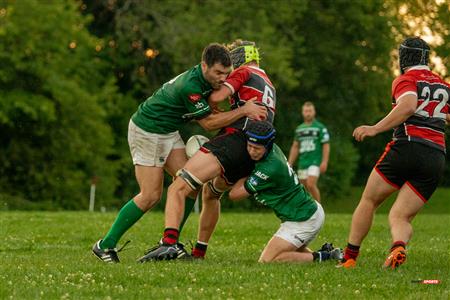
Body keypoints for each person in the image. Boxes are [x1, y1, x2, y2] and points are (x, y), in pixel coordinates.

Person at [92, 43, 267, 263]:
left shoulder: (211, 80)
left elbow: (213, 109)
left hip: (167, 131)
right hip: (148, 130)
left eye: (227, 72)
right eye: (218, 72)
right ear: (204, 65)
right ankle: (105, 245)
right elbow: (209, 124)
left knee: (189, 184)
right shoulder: (190, 86)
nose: (223, 78)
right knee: (150, 196)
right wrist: (243, 110)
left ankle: (171, 244)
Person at [138, 40, 276, 262]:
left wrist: (219, 106)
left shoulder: (244, 72)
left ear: (238, 60)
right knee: (211, 193)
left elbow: (215, 97)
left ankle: (169, 244)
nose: (226, 74)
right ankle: (199, 253)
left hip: (235, 139)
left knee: (178, 187)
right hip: (253, 149)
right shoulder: (268, 82)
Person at [339, 37, 449, 269]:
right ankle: (397, 246)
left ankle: (349, 258)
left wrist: (375, 128)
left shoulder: (406, 78)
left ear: (404, 57)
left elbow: (408, 105)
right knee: (400, 216)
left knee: (369, 200)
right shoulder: (443, 85)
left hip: (407, 146)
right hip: (436, 156)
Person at [227, 121, 341, 263]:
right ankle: (326, 253)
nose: (251, 151)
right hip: (307, 212)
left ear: (267, 146)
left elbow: (234, 195)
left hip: (303, 219)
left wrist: (242, 169)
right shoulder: (272, 149)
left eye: (257, 148)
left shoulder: (269, 168)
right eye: (249, 146)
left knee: (267, 260)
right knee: (290, 252)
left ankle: (326, 256)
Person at [288, 102, 330, 202]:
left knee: (311, 184)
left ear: (314, 112)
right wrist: (289, 163)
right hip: (303, 162)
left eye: (310, 111)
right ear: (302, 112)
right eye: (306, 111)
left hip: (315, 161)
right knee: (303, 188)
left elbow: (326, 145)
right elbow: (295, 146)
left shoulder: (320, 128)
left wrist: (324, 161)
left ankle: (319, 209)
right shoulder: (299, 129)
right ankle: (309, 210)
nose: (308, 113)